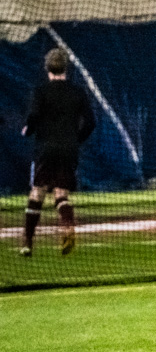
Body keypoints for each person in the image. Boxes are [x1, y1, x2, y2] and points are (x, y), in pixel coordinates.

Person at [19, 48, 96, 256]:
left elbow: (34, 115)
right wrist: (76, 140)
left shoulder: (41, 91)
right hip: (68, 149)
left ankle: (27, 242)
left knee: (37, 192)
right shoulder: (77, 92)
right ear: (66, 67)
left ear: (47, 68)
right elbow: (90, 122)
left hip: (45, 148)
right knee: (61, 193)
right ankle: (68, 229)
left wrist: (28, 130)